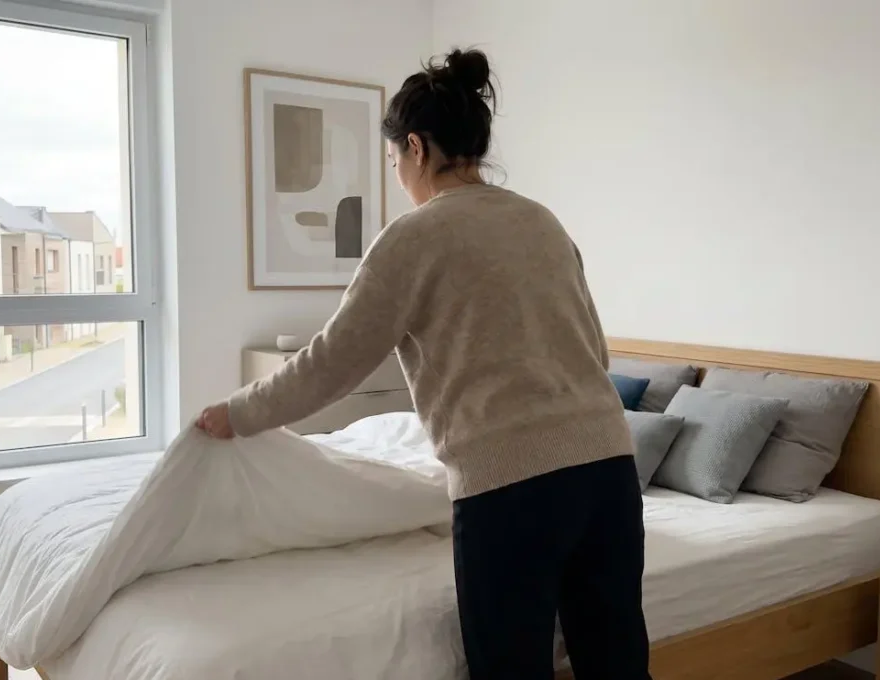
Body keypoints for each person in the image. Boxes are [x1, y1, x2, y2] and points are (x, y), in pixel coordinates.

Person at [197, 48, 651, 680]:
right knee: (617, 665)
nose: (397, 177)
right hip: (608, 472)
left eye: (392, 161)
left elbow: (331, 364)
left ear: (415, 147)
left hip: (512, 487)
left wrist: (237, 412)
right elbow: (594, 352)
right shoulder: (543, 222)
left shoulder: (414, 237)